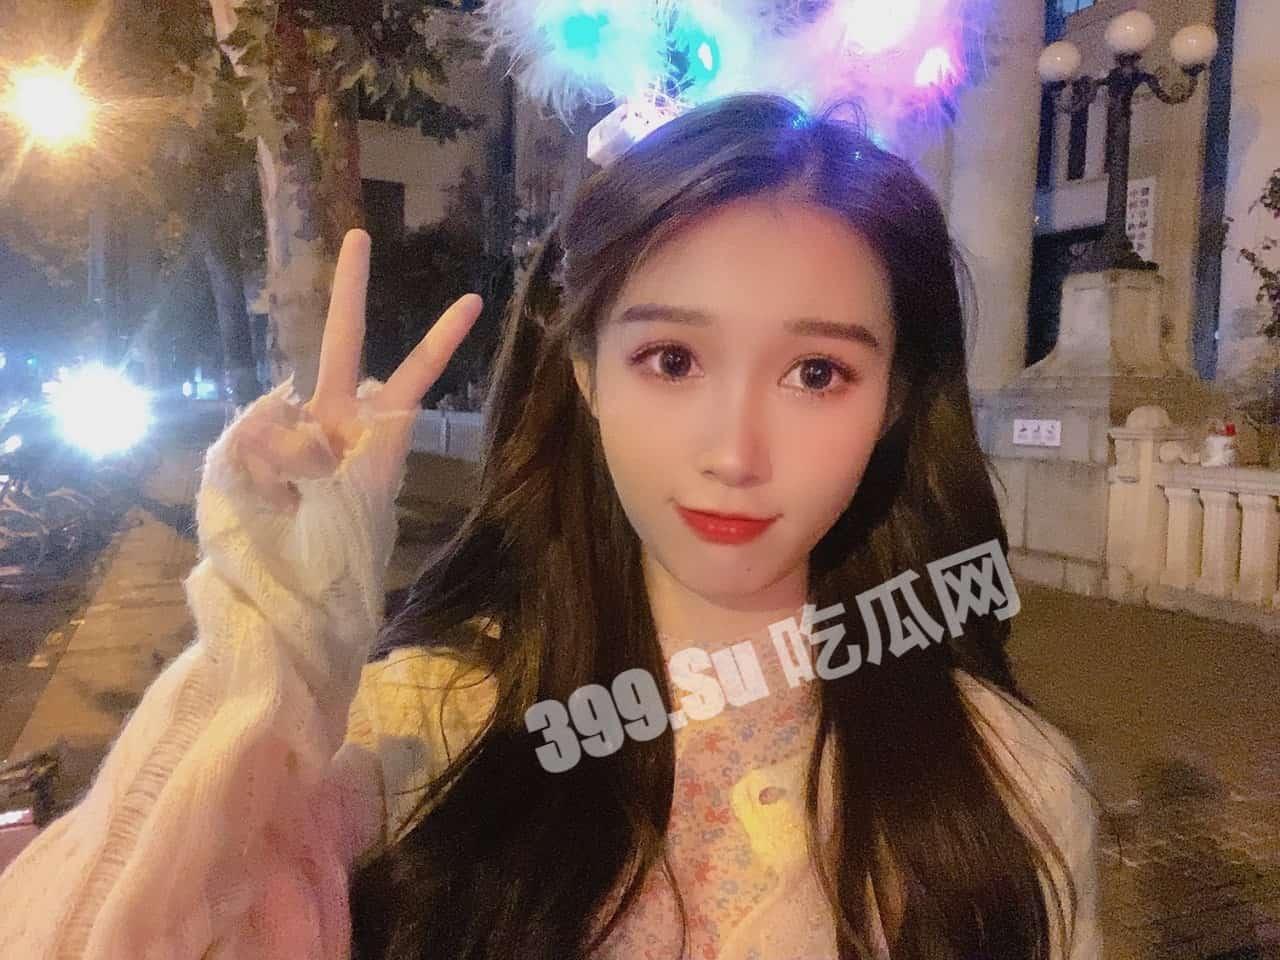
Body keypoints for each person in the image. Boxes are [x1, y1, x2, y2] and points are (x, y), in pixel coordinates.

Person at [0, 94, 1100, 960]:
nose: (735, 452)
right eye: (671, 359)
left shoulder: (1005, 785)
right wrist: (276, 635)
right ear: (584, 373)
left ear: (895, 400)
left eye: (817, 373)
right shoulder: (424, 732)